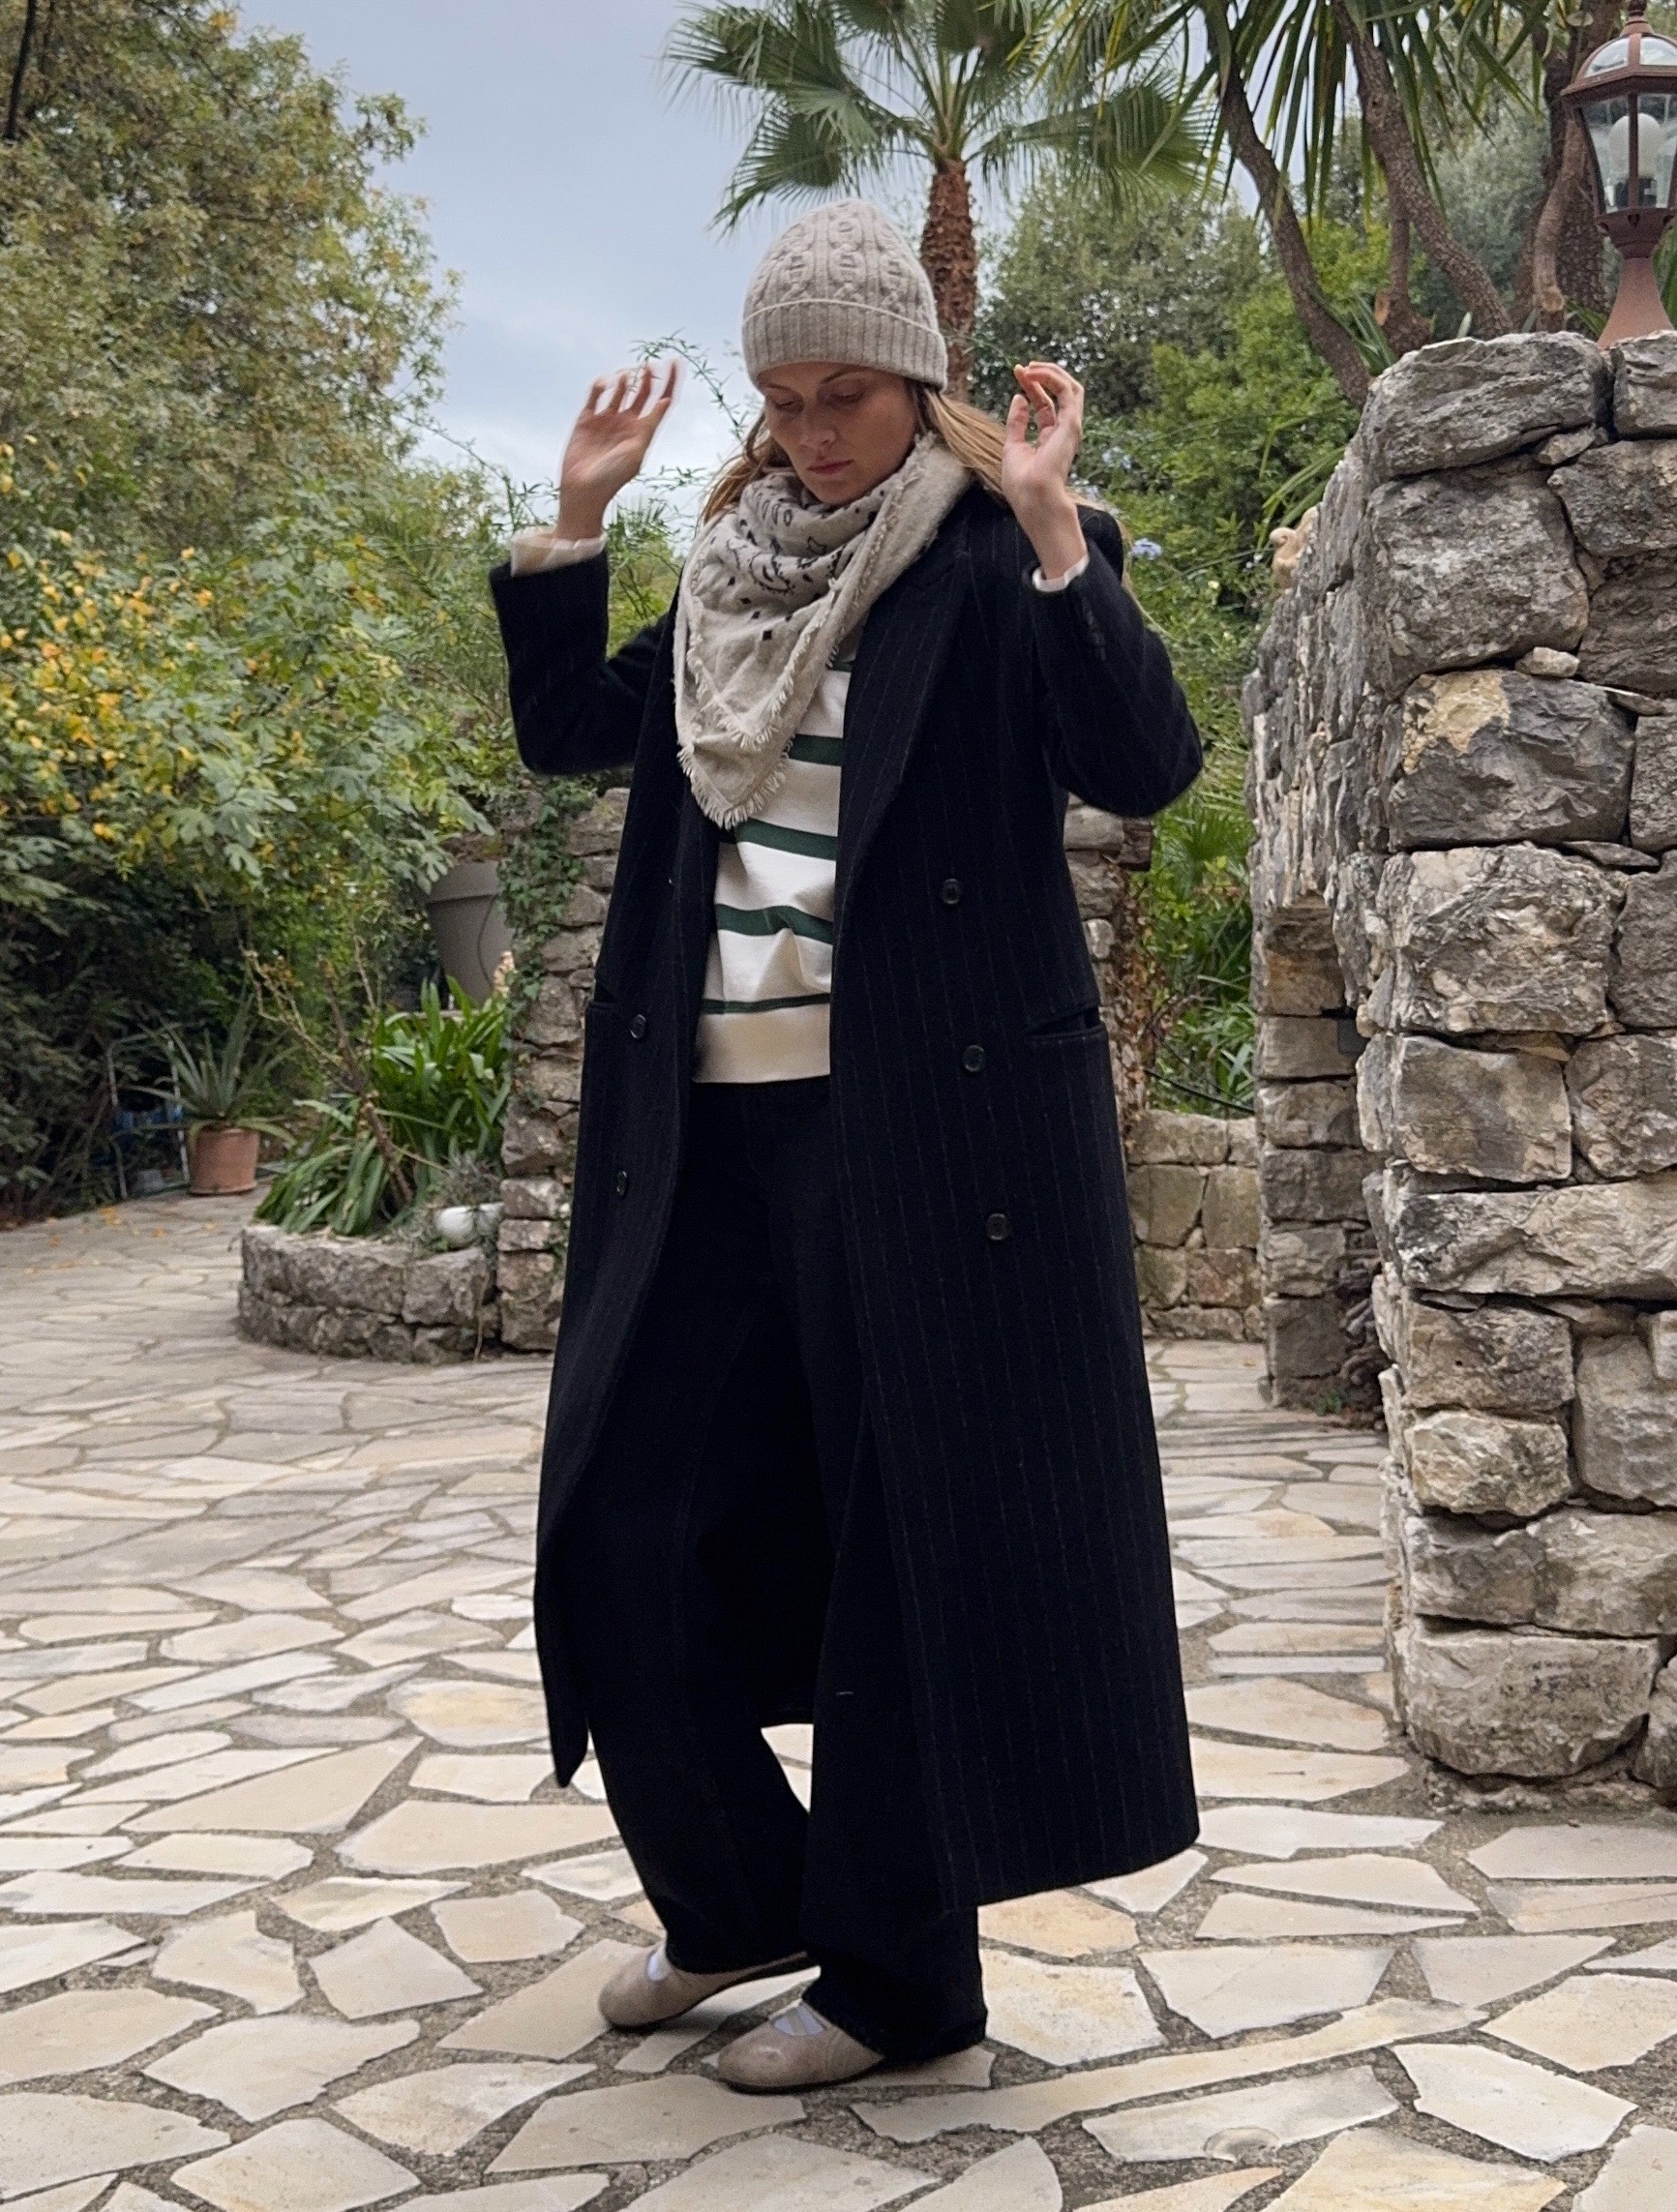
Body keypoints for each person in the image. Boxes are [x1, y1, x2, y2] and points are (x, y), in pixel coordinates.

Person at [491, 199, 1202, 2092]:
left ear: (922, 385)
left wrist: (1060, 530)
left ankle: (902, 1985)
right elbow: (573, 728)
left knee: (908, 1540)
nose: (815, 432)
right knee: (623, 1513)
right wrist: (578, 517)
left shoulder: (988, 563)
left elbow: (1143, 760)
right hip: (702, 1130)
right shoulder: (730, 564)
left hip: (935, 1135)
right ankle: (737, 1899)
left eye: (850, 397)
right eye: (787, 398)